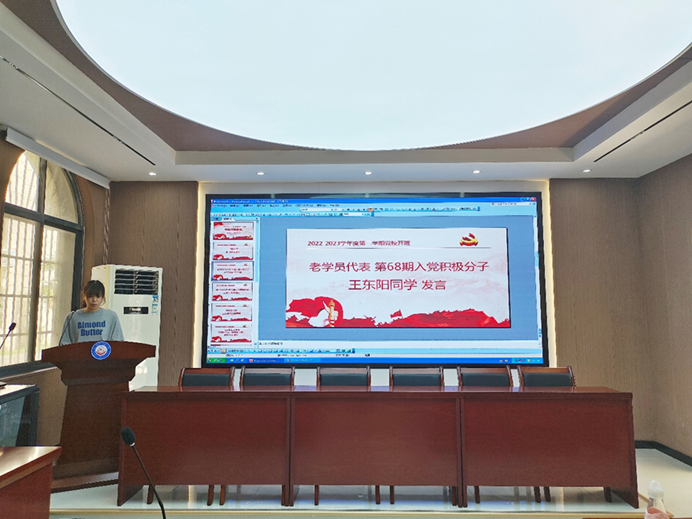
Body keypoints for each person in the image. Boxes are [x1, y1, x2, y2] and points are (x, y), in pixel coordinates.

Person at [59, 280, 124, 345]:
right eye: (90, 296)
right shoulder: (72, 317)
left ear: (103, 297)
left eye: (98, 296)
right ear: (84, 296)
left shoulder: (111, 317)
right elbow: (64, 343)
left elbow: (118, 343)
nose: (94, 300)